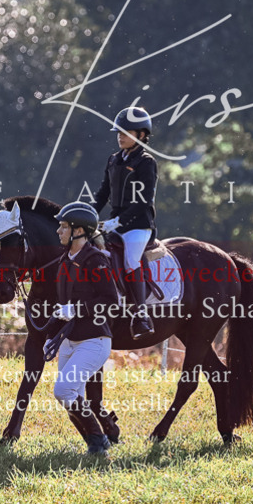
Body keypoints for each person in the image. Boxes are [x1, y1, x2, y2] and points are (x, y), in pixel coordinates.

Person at [43, 201, 118, 455]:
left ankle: (99, 442)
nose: (58, 231)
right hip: (68, 340)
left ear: (79, 231)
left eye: (63, 226)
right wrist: (51, 335)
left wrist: (76, 309)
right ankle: (96, 446)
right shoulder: (65, 260)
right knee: (67, 397)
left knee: (63, 390)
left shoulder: (95, 260)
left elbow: (110, 301)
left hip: (94, 340)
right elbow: (61, 306)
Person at [92, 105, 157, 340]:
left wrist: (119, 221)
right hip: (114, 224)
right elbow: (102, 193)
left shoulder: (146, 162)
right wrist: (87, 214)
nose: (120, 136)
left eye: (125, 132)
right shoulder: (114, 160)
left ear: (140, 135)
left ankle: (141, 315)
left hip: (138, 225)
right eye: (118, 132)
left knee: (131, 260)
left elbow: (143, 201)